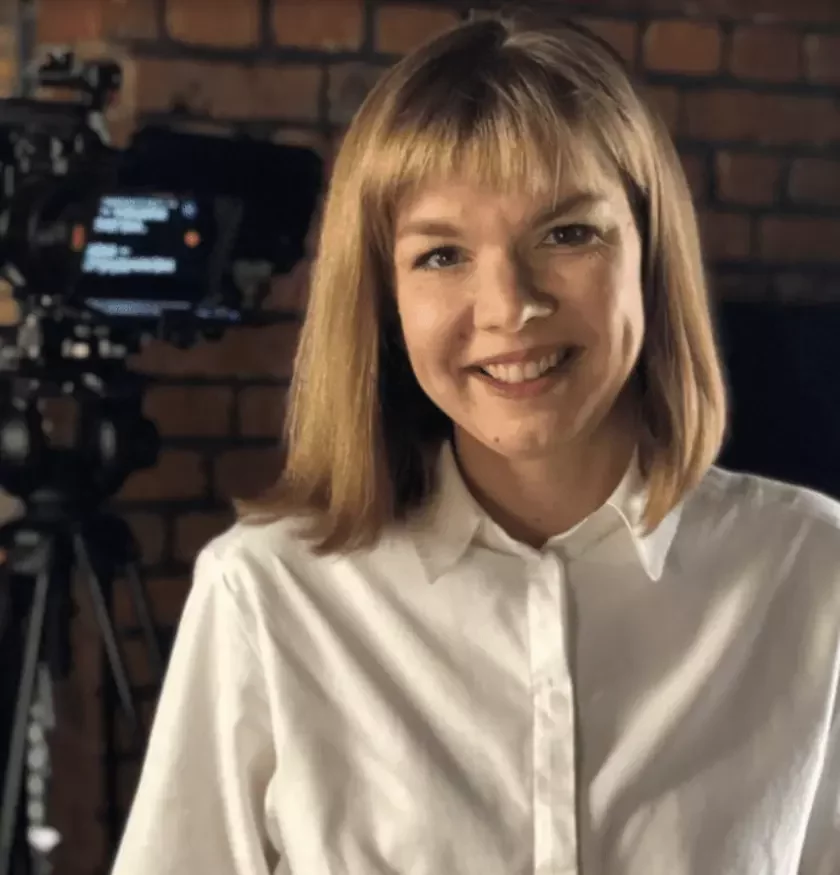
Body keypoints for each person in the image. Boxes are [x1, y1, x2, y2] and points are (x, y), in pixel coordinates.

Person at [110, 11, 840, 875]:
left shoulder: (812, 570)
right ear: (384, 301)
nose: (510, 306)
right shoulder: (264, 594)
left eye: (567, 233)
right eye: (442, 255)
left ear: (650, 252)